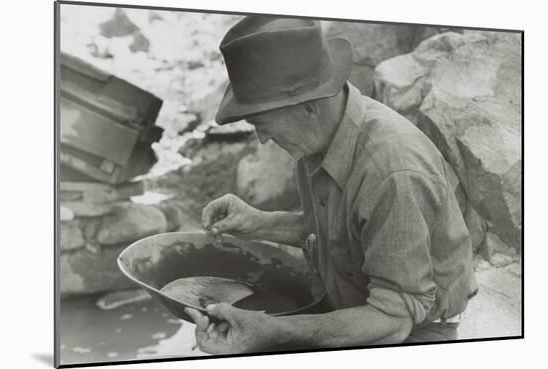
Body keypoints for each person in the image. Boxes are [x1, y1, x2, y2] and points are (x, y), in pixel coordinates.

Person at [184, 16, 478, 355]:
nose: (262, 139)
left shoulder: (393, 172)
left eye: (263, 125)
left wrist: (274, 331)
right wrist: (260, 223)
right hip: (353, 302)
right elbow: (341, 231)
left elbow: (395, 316)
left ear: (308, 108)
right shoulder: (317, 138)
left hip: (412, 332)